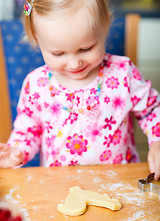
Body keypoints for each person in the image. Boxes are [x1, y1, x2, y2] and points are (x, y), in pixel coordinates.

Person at [0, 0, 160, 179]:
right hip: (60, 187)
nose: (75, 64)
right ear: (37, 39)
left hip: (119, 183)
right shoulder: (36, 84)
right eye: (58, 53)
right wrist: (17, 152)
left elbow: (151, 110)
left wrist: (158, 141)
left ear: (104, 26)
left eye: (86, 48)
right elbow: (28, 131)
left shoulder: (122, 73)